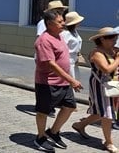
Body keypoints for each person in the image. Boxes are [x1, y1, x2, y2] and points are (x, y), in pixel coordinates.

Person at [32, 10, 82, 152]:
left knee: (70, 106)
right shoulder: (44, 40)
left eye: (63, 21)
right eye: (59, 22)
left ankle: (53, 132)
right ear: (49, 23)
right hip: (47, 82)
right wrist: (72, 80)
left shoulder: (59, 36)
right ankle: (40, 138)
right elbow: (51, 64)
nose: (63, 24)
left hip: (63, 81)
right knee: (43, 111)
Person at [72, 27, 119, 153]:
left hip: (112, 85)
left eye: (116, 37)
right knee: (107, 114)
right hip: (100, 85)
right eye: (112, 37)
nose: (115, 40)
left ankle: (80, 125)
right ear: (102, 39)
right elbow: (106, 69)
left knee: (100, 112)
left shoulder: (113, 50)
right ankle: (108, 143)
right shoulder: (97, 53)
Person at [60, 11, 84, 80]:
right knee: (70, 80)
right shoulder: (65, 34)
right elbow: (63, 47)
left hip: (74, 61)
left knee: (75, 80)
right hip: (68, 60)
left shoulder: (74, 31)